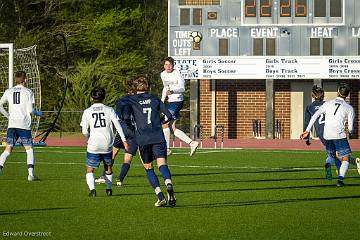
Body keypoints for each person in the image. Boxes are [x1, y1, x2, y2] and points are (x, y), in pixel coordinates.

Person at [124, 76, 176, 207]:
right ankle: (168, 183)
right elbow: (169, 116)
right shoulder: (155, 99)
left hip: (143, 138)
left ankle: (160, 196)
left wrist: (131, 127)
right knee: (162, 164)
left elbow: (125, 117)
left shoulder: (131, 100)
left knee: (148, 167)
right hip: (158, 136)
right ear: (147, 87)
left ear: (136, 88)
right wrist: (161, 122)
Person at [301, 83, 360, 187]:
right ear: (348, 94)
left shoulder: (327, 104)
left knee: (333, 156)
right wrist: (350, 132)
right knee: (344, 158)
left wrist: (307, 131)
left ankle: (331, 164)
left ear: (337, 92)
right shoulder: (349, 108)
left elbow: (314, 116)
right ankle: (340, 179)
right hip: (339, 135)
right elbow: (350, 128)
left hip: (326, 135)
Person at [80, 87, 128, 197]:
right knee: (108, 167)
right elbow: (117, 125)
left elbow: (84, 131)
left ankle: (92, 190)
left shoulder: (87, 111)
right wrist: (124, 140)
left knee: (90, 169)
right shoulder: (109, 109)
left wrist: (88, 138)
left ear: (92, 98)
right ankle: (109, 189)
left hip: (94, 144)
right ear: (104, 97)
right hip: (107, 144)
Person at [0, 71, 43, 181]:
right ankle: (30, 175)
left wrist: (8, 116)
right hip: (23, 125)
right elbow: (30, 110)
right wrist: (39, 113)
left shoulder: (8, 91)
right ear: (25, 79)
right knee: (29, 149)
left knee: (7, 149)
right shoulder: (28, 92)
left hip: (12, 124)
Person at [95, 84, 138, 186]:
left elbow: (119, 116)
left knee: (113, 153)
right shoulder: (138, 101)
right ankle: (120, 179)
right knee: (128, 157)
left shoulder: (122, 100)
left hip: (122, 130)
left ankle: (103, 176)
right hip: (135, 132)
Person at [161, 56, 198, 156]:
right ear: (164, 65)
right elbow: (165, 89)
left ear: (173, 66)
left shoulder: (178, 74)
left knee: (165, 124)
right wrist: (161, 102)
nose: (168, 67)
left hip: (177, 101)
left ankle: (167, 149)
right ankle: (192, 143)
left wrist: (173, 91)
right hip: (170, 101)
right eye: (166, 64)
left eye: (170, 65)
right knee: (172, 127)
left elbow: (182, 89)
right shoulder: (163, 74)